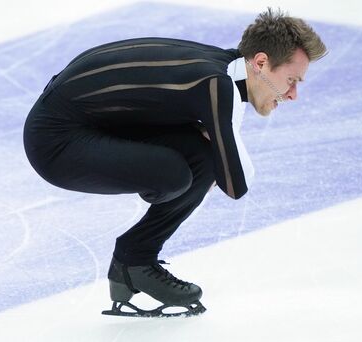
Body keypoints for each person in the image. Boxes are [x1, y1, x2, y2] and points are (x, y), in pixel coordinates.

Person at [23, 8, 326, 317]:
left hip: (94, 121)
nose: (293, 95)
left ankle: (134, 260)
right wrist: (221, 142)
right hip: (56, 141)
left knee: (202, 158)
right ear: (261, 63)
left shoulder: (221, 67)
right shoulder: (217, 83)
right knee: (175, 173)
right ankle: (135, 262)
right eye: (291, 80)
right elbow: (237, 185)